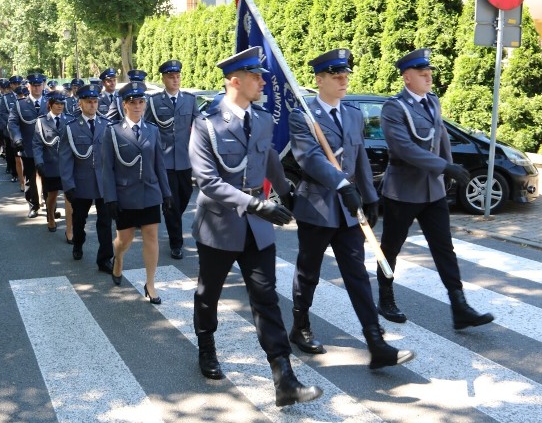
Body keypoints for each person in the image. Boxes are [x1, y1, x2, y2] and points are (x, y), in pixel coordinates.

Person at [188, 46, 322, 408]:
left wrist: (289, 195)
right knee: (209, 293)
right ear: (235, 80)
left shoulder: (262, 119)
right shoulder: (206, 123)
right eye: (256, 76)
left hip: (258, 228)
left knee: (266, 300)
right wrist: (257, 204)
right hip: (219, 224)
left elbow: (270, 163)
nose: (263, 81)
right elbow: (207, 180)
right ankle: (206, 345)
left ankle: (284, 377)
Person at [288, 48, 414, 369]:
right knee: (309, 272)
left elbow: (358, 160)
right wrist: (343, 186)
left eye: (345, 74)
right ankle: (300, 326)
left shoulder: (354, 114)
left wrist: (371, 196)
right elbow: (311, 160)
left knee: (356, 274)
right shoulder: (302, 115)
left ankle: (375, 341)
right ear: (319, 80)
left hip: (348, 211)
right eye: (335, 75)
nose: (343, 79)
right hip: (316, 207)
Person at [377, 48, 494, 330]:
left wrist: (449, 168)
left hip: (433, 191)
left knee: (444, 249)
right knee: (391, 248)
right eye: (421, 72)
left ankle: (459, 306)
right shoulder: (394, 108)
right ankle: (385, 297)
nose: (428, 75)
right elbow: (403, 149)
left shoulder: (432, 102)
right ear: (407, 78)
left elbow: (440, 135)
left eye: (428, 71)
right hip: (403, 192)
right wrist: (444, 167)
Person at [102, 81, 171, 303]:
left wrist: (166, 192)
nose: (138, 106)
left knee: (152, 236)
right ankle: (118, 259)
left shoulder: (153, 130)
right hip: (125, 195)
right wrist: (110, 198)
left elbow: (160, 164)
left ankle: (150, 283)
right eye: (133, 102)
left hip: (150, 192)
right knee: (125, 239)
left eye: (141, 102)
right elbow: (107, 169)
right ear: (125, 105)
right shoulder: (112, 132)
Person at [59, 83, 115, 274]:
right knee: (79, 219)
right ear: (80, 103)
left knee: (105, 223)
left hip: (103, 184)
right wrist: (68, 185)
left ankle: (105, 259)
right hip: (81, 183)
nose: (92, 105)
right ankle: (78, 243)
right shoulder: (70, 127)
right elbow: (65, 158)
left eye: (95, 101)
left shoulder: (107, 125)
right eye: (88, 102)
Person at [144, 59, 196, 260]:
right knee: (172, 201)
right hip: (164, 160)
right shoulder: (155, 102)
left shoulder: (189, 100)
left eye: (177, 76)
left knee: (184, 196)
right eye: (171, 77)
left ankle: (172, 217)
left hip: (185, 159)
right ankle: (176, 242)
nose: (175, 80)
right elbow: (147, 127)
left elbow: (199, 126)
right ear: (164, 79)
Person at [8, 72, 49, 218]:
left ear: (43, 85)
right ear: (28, 86)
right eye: (34, 85)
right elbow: (12, 122)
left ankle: (51, 205)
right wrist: (17, 139)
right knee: (30, 179)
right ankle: (33, 205)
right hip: (29, 147)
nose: (37, 88)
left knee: (49, 178)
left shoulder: (51, 102)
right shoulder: (20, 105)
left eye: (39, 85)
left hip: (48, 148)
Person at [33, 92, 74, 239]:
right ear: (50, 104)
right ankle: (50, 216)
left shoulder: (70, 120)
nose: (60, 106)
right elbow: (37, 144)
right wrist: (39, 162)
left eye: (62, 104)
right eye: (57, 104)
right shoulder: (42, 121)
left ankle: (70, 230)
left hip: (68, 165)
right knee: (52, 196)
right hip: (50, 165)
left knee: (69, 197)